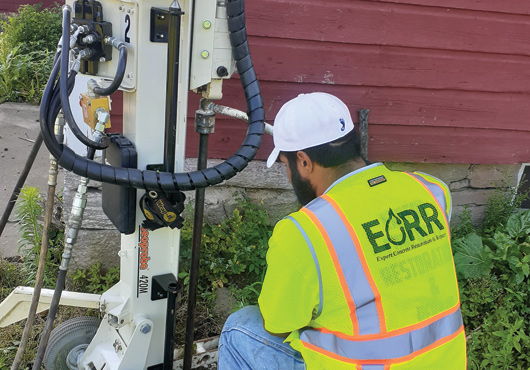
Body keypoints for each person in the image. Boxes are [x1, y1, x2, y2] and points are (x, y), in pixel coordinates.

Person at [218, 92, 466, 369]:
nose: (289, 177)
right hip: (445, 360)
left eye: (286, 166)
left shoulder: (305, 231)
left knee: (238, 327)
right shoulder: (430, 189)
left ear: (303, 162)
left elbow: (277, 325)